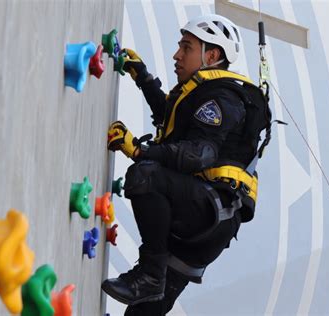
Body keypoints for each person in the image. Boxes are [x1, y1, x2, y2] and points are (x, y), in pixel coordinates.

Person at [102, 14, 270, 315]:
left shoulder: (221, 100)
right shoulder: (212, 95)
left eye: (186, 47)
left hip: (208, 211)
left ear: (212, 55)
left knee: (145, 175)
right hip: (210, 220)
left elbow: (197, 154)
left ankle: (151, 273)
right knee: (146, 309)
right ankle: (152, 279)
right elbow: (174, 121)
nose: (177, 55)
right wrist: (143, 78)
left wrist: (139, 152)